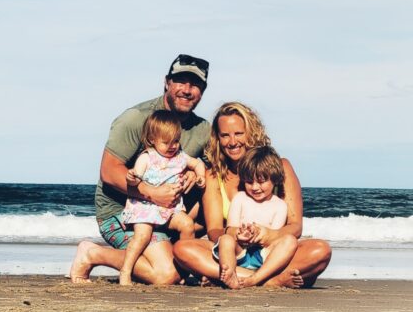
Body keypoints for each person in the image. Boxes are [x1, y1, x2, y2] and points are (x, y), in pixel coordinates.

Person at [70, 54, 211, 285]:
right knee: (165, 275)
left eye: (195, 84)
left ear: (203, 90)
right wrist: (151, 192)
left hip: (168, 216)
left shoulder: (202, 129)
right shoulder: (137, 118)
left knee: (177, 268)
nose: (187, 90)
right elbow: (109, 170)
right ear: (167, 82)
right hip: (123, 213)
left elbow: (212, 167)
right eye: (180, 81)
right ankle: (92, 253)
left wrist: (195, 173)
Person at [173, 102, 331, 287]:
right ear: (217, 139)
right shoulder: (213, 175)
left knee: (320, 250)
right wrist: (236, 236)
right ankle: (271, 280)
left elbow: (295, 226)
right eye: (225, 135)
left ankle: (240, 278)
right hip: (236, 252)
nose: (232, 142)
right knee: (182, 249)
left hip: (272, 252)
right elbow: (214, 231)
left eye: (239, 133)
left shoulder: (282, 167)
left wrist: (267, 235)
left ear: (252, 132)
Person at [119, 110, 206, 286]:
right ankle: (125, 271)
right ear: (152, 139)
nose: (172, 146)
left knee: (188, 225)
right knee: (142, 235)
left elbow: (197, 163)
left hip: (170, 208)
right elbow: (135, 178)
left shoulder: (180, 157)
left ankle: (188, 267)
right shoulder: (147, 157)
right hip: (146, 206)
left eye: (176, 140)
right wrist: (132, 178)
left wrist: (200, 175)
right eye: (166, 142)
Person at [213, 146, 297, 289]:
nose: (255, 187)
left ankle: (255, 279)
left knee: (290, 240)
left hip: (263, 255)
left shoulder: (279, 205)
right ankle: (230, 273)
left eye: (261, 181)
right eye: (249, 182)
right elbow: (230, 230)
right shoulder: (240, 198)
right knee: (225, 239)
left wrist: (259, 234)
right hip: (239, 251)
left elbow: (274, 238)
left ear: (275, 179)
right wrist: (240, 235)